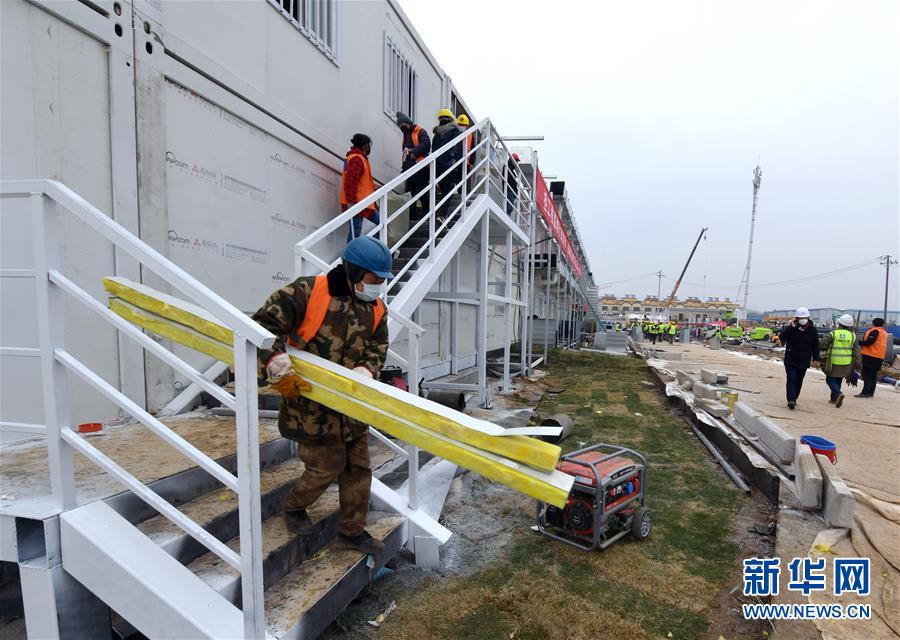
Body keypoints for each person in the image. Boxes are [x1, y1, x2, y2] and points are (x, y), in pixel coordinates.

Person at [252, 236, 392, 555]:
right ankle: (294, 506)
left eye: (383, 281)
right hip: (310, 406)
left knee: (358, 469)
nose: (378, 287)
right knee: (326, 467)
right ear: (354, 272)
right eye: (374, 280)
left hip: (352, 409)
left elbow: (377, 346)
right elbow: (262, 326)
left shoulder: (377, 308)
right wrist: (275, 363)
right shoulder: (308, 292)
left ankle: (351, 531)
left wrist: (367, 371)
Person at [777, 307, 820, 409]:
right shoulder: (791, 329)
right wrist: (791, 328)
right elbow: (782, 337)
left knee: (799, 380)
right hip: (791, 359)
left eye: (805, 317)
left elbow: (815, 345)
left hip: (804, 360)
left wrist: (816, 358)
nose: (803, 319)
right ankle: (791, 400)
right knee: (791, 379)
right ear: (796, 318)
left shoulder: (812, 330)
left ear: (808, 317)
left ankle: (794, 398)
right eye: (801, 317)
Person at [340, 134, 378, 244]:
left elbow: (356, 180)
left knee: (355, 233)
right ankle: (350, 258)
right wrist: (351, 202)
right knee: (355, 233)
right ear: (366, 145)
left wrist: (373, 186)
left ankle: (364, 249)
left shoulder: (356, 158)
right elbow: (351, 181)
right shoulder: (357, 159)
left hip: (363, 203)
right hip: (358, 203)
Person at [395, 112, 431, 225]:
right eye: (400, 128)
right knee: (410, 193)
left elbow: (426, 145)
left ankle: (428, 214)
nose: (402, 129)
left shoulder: (420, 131)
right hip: (410, 170)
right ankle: (412, 217)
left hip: (421, 168)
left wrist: (414, 152)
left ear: (408, 123)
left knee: (423, 192)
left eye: (403, 126)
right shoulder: (406, 135)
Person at [819, 314, 861, 408]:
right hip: (846, 362)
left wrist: (825, 351)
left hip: (833, 361)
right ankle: (834, 400)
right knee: (838, 379)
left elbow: (822, 344)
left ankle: (838, 394)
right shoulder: (853, 336)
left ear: (840, 324)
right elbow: (856, 351)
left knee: (830, 379)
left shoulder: (833, 334)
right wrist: (858, 364)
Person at [432, 108, 463, 219]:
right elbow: (456, 148)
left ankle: (438, 213)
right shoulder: (455, 131)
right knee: (448, 190)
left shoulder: (436, 135)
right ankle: (441, 215)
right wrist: (457, 164)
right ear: (450, 119)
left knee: (443, 190)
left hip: (437, 167)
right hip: (449, 165)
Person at [857, 317, 889, 398]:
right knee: (873, 375)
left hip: (870, 356)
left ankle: (865, 392)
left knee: (867, 374)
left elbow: (869, 342)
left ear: (873, 323)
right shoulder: (883, 332)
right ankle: (871, 392)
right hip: (879, 356)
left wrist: (857, 342)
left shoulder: (875, 331)